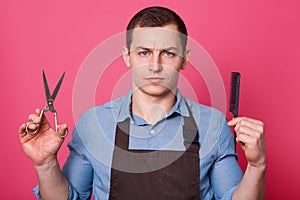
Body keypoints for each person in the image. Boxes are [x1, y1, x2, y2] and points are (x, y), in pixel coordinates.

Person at [19, 6, 266, 200]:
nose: (155, 65)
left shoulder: (213, 125)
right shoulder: (94, 123)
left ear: (184, 59)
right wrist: (45, 164)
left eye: (168, 53)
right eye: (144, 52)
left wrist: (257, 165)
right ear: (127, 57)